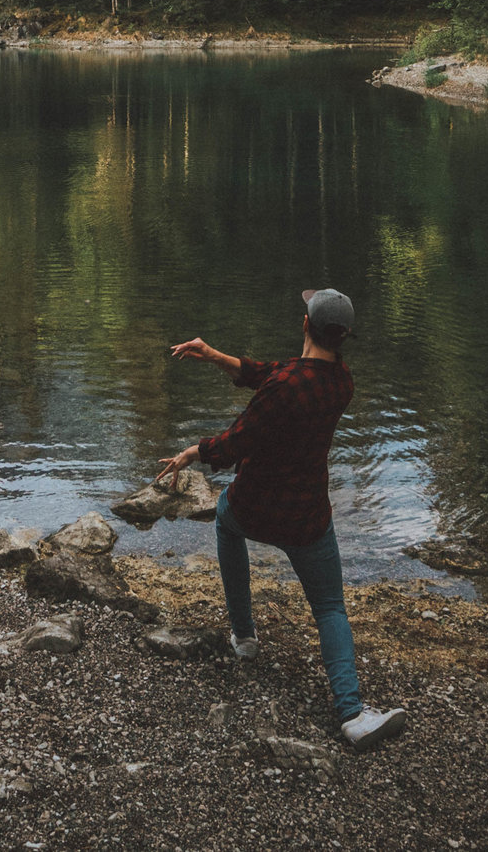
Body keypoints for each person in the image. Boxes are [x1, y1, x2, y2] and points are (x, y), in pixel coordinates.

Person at [158, 287, 408, 751]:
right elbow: (274, 374)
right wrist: (214, 355)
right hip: (307, 515)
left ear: (305, 326)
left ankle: (244, 635)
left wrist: (191, 453)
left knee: (224, 522)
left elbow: (239, 440)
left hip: (254, 506)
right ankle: (351, 713)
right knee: (330, 606)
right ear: (342, 337)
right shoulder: (340, 382)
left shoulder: (287, 385)